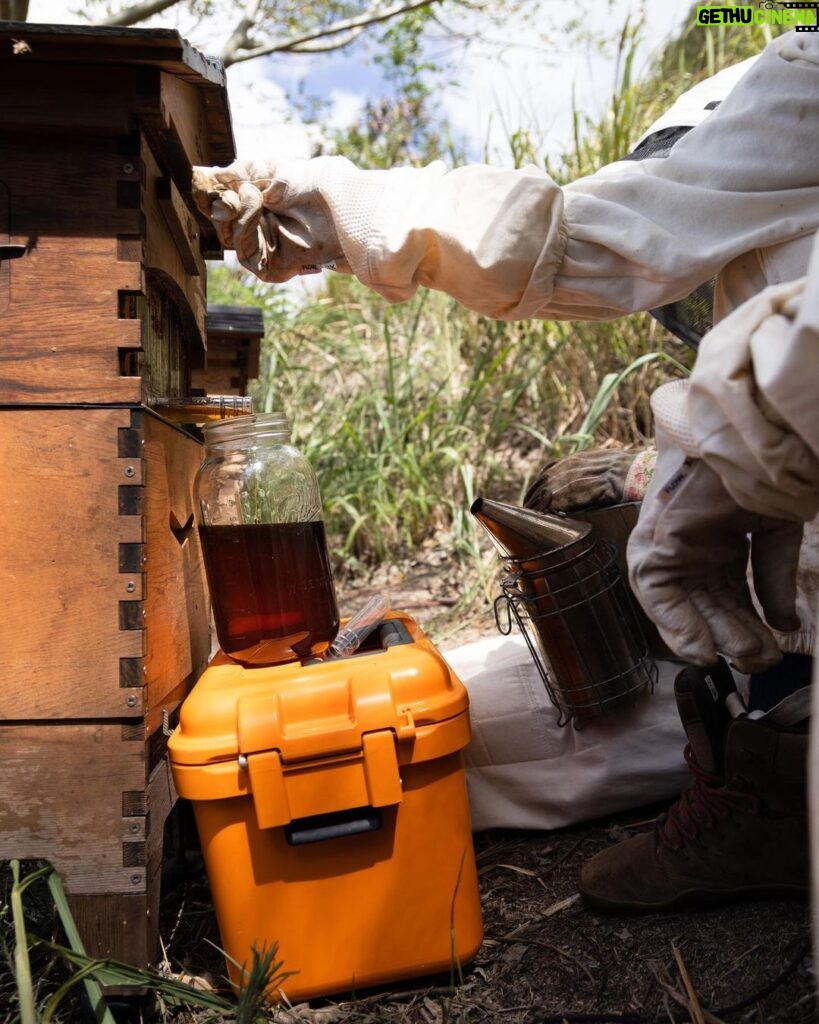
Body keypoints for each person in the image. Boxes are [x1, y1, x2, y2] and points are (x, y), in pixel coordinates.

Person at [191, 29, 819, 913]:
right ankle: (767, 765)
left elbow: (614, 247)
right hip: (763, 626)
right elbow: (585, 239)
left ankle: (776, 783)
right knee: (456, 740)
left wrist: (715, 446)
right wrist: (332, 213)